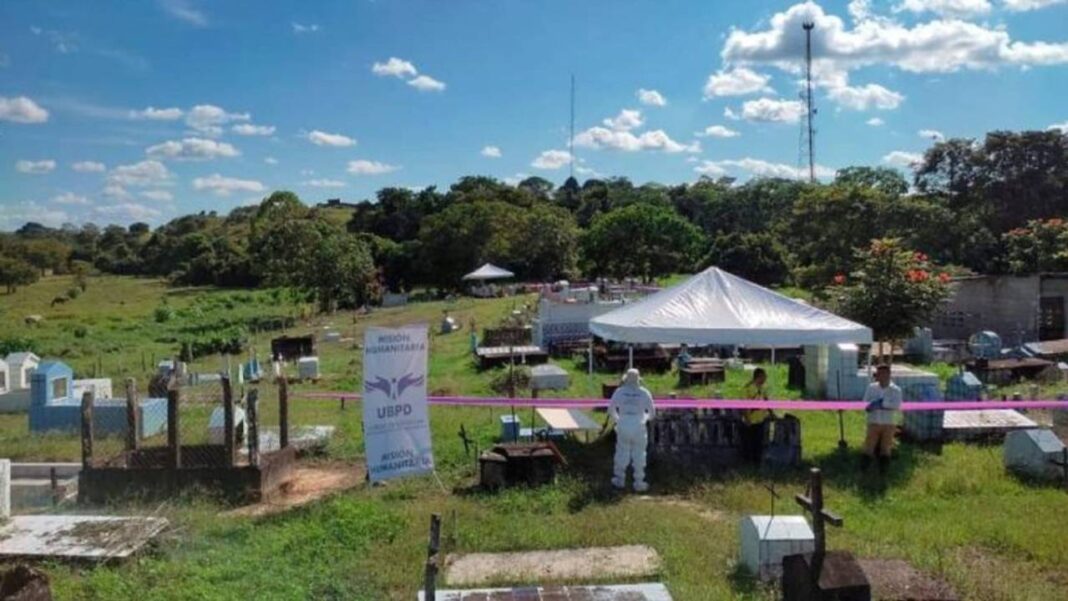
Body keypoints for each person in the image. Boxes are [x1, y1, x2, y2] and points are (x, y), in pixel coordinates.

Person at [609, 368, 656, 492]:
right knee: (639, 453)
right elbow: (652, 413)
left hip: (623, 423)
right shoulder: (645, 392)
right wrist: (645, 418)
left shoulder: (619, 392)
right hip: (639, 424)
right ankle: (639, 482)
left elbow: (611, 410)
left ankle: (619, 479)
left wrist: (619, 420)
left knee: (622, 451)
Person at [861, 364, 902, 476]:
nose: (879, 376)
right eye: (878, 374)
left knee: (886, 448)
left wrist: (882, 404)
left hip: (889, 423)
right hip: (873, 421)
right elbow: (865, 402)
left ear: (888, 374)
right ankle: (864, 471)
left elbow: (897, 405)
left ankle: (883, 472)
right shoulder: (871, 387)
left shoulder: (896, 390)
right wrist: (870, 406)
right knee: (868, 447)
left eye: (882, 374)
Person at [740, 368, 773, 463]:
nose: (765, 379)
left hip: (760, 420)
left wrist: (771, 414)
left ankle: (757, 462)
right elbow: (743, 406)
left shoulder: (762, 388)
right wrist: (747, 419)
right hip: (750, 421)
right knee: (749, 443)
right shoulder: (748, 388)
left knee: (759, 443)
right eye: (764, 376)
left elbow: (767, 401)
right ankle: (747, 462)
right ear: (759, 377)